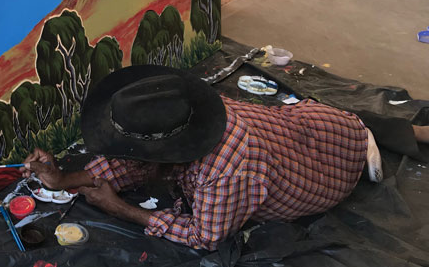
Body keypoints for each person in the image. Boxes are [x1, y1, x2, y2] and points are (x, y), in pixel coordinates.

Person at [22, 66, 429, 251]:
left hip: (333, 168)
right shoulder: (197, 110)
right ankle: (378, 131)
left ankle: (370, 140)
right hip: (313, 125)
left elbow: (206, 237)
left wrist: (122, 208)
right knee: (316, 118)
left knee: (339, 132)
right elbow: (131, 159)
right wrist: (62, 179)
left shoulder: (224, 170)